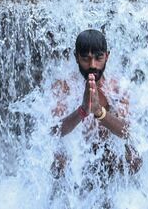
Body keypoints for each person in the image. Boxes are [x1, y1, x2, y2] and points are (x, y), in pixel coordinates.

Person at [50, 29, 142, 191]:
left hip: (106, 158)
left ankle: (119, 194)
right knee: (57, 162)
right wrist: (83, 110)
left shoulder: (116, 88)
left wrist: (99, 112)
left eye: (98, 58)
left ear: (107, 56)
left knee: (134, 159)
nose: (92, 65)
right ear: (76, 57)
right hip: (77, 158)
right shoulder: (64, 86)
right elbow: (55, 131)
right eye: (86, 58)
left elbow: (127, 131)